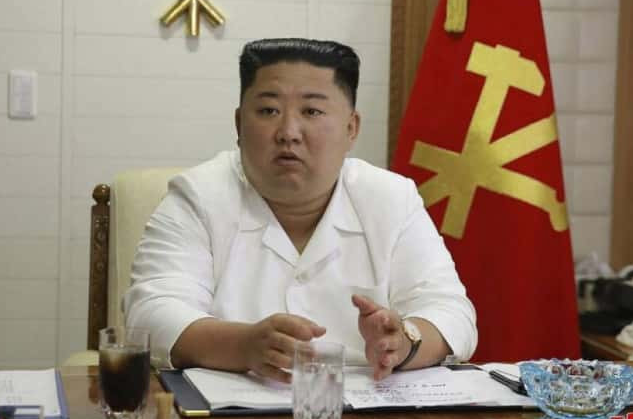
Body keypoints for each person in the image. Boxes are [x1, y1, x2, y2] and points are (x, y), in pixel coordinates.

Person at [124, 38, 477, 382]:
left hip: (367, 406)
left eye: (311, 111)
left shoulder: (390, 198)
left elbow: (452, 313)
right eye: (269, 111)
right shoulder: (199, 195)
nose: (288, 132)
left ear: (351, 127)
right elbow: (150, 315)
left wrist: (405, 343)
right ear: (239, 124)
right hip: (228, 407)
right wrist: (244, 346)